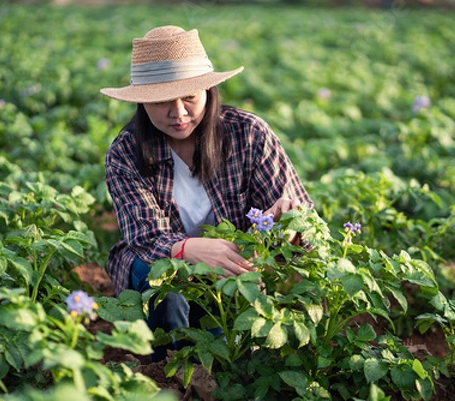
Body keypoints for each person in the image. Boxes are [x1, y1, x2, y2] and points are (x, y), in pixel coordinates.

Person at [100, 25, 313, 360]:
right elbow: (144, 237)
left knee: (230, 354)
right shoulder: (126, 153)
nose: (179, 114)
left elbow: (307, 225)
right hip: (157, 265)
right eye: (162, 102)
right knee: (167, 291)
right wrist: (186, 249)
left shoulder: (249, 135)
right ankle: (164, 369)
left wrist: (288, 222)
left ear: (208, 92)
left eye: (189, 98)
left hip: (231, 273)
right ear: (142, 103)